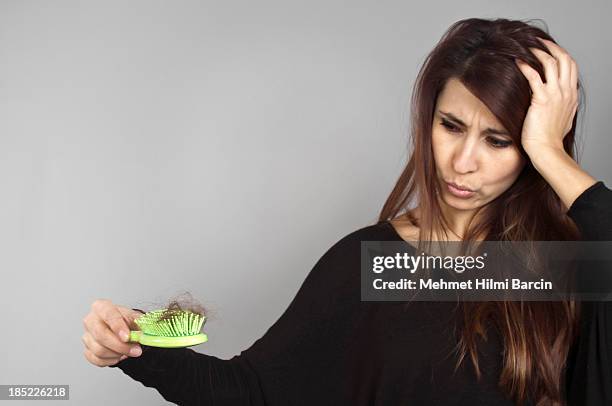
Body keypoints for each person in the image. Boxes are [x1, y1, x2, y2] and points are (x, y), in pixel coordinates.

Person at [81, 18, 612, 405]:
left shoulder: (561, 266)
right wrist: (137, 346)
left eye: (498, 140)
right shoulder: (381, 265)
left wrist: (549, 153)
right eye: (450, 126)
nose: (463, 162)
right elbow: (252, 391)